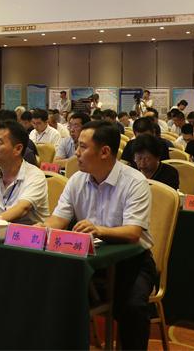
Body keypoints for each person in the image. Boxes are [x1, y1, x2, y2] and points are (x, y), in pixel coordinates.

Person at [43, 121, 155, 350]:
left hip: (132, 262)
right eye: (77, 146)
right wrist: (38, 229)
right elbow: (58, 219)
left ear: (104, 151)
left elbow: (133, 232)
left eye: (83, 147)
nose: (76, 153)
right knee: (50, 293)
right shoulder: (76, 180)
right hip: (89, 259)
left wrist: (99, 230)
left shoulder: (134, 182)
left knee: (133, 307)